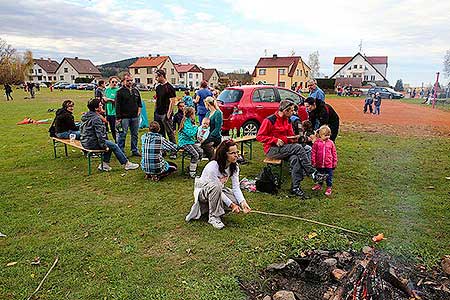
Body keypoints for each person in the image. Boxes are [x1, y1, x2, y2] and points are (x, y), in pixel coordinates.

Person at [256, 100, 326, 199]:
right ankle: (313, 173)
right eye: (291, 110)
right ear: (285, 110)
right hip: (272, 150)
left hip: (285, 148)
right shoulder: (269, 120)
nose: (293, 113)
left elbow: (290, 135)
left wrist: (295, 138)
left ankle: (295, 187)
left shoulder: (288, 120)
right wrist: (275, 140)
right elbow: (259, 136)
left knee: (295, 158)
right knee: (298, 148)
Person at [185, 140, 252, 230]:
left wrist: (242, 202)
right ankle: (213, 217)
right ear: (224, 154)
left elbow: (236, 187)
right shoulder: (213, 167)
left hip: (217, 190)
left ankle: (210, 209)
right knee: (216, 187)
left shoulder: (234, 166)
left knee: (236, 200)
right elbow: (217, 189)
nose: (236, 155)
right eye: (232, 153)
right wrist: (231, 205)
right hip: (203, 192)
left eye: (237, 152)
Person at [80, 98, 140, 172]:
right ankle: (126, 164)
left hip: (85, 142)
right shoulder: (96, 119)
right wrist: (104, 146)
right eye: (100, 105)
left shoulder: (86, 116)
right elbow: (100, 135)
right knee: (113, 145)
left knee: (110, 144)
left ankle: (104, 165)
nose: (102, 106)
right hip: (91, 143)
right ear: (96, 108)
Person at [116, 73, 142, 157]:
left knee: (135, 134)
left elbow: (139, 103)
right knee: (122, 134)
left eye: (131, 80)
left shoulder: (136, 90)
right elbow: (117, 105)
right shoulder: (119, 92)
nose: (130, 82)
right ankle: (120, 151)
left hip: (135, 117)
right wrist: (118, 118)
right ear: (123, 81)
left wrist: (138, 112)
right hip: (124, 117)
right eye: (128, 81)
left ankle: (134, 150)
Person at [311, 125, 338, 196]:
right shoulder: (316, 143)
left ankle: (329, 187)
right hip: (319, 164)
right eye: (326, 135)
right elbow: (313, 153)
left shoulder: (331, 143)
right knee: (320, 175)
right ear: (320, 135)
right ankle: (319, 185)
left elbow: (334, 153)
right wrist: (313, 161)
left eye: (329, 135)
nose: (328, 137)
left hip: (329, 164)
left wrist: (334, 162)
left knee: (329, 177)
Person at [178, 107, 203, 178]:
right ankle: (192, 173)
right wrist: (196, 127)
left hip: (190, 142)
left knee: (200, 152)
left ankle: (192, 167)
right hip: (184, 142)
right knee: (195, 155)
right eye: (194, 113)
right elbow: (190, 133)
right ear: (191, 114)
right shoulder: (186, 122)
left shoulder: (190, 121)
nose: (195, 115)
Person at [154, 69, 177, 146]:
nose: (155, 79)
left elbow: (172, 101)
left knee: (170, 132)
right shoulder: (158, 87)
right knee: (160, 132)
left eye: (157, 77)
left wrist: (169, 113)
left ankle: (173, 150)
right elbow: (157, 99)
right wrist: (155, 110)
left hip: (165, 113)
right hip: (158, 113)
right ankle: (163, 149)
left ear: (161, 76)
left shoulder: (169, 87)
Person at [105, 76, 120, 142]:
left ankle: (117, 142)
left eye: (116, 82)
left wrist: (110, 100)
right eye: (113, 82)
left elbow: (118, 101)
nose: (114, 83)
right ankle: (113, 141)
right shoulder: (107, 90)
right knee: (110, 128)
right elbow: (104, 99)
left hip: (115, 112)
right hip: (108, 112)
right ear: (109, 82)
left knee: (115, 128)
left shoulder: (118, 90)